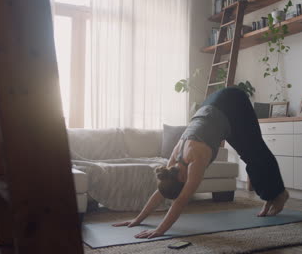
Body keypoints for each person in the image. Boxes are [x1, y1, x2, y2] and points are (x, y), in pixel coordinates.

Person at [113, 87, 289, 239]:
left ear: (182, 178)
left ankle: (279, 194)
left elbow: (180, 202)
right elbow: (160, 191)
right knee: (249, 155)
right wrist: (138, 220)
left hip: (233, 102)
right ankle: (269, 196)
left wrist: (160, 230)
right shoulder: (173, 162)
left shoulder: (195, 161)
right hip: (214, 104)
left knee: (255, 150)